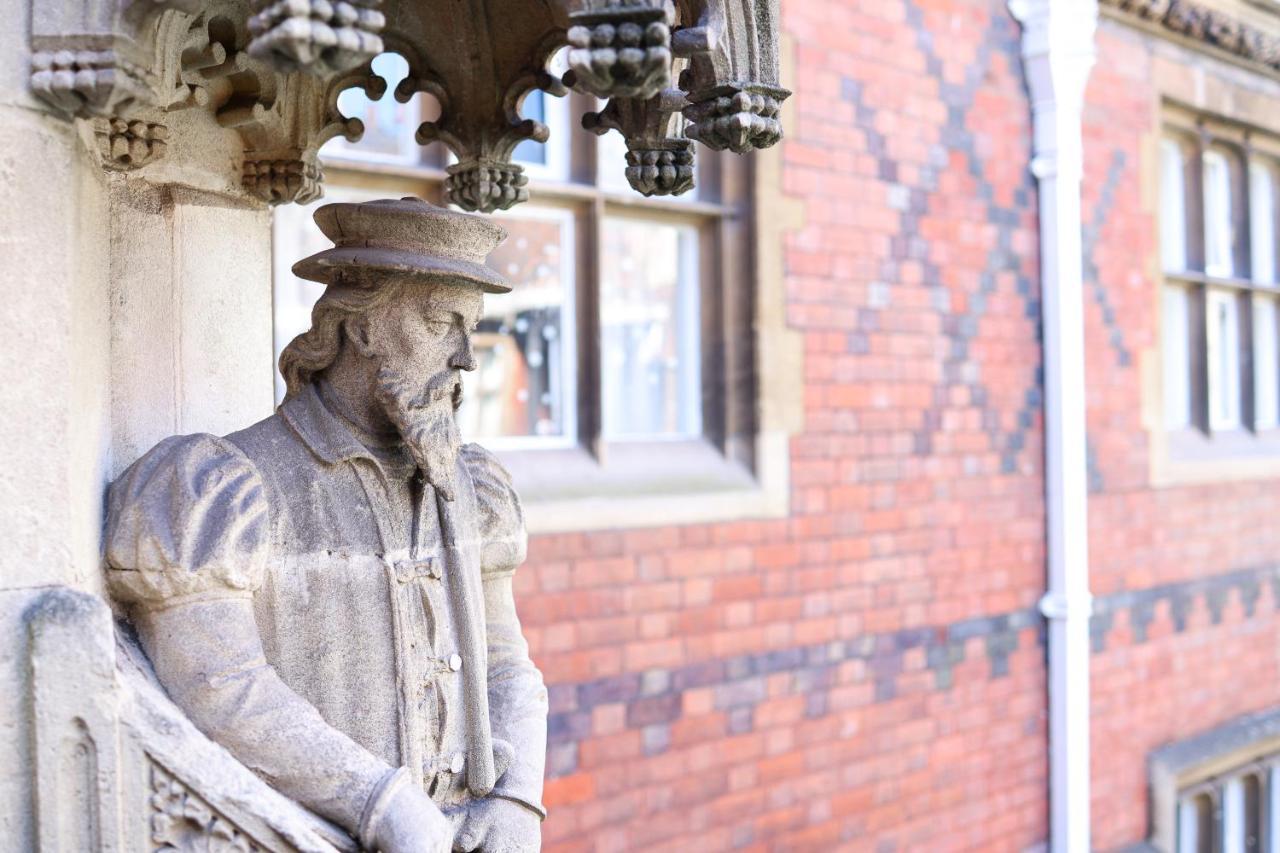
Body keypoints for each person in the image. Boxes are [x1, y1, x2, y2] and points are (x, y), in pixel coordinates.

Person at [105, 197, 547, 852]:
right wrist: (378, 799)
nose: (465, 358)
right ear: (362, 327)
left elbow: (506, 660)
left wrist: (516, 798)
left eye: (470, 328)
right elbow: (221, 686)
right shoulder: (221, 487)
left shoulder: (466, 484)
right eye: (440, 322)